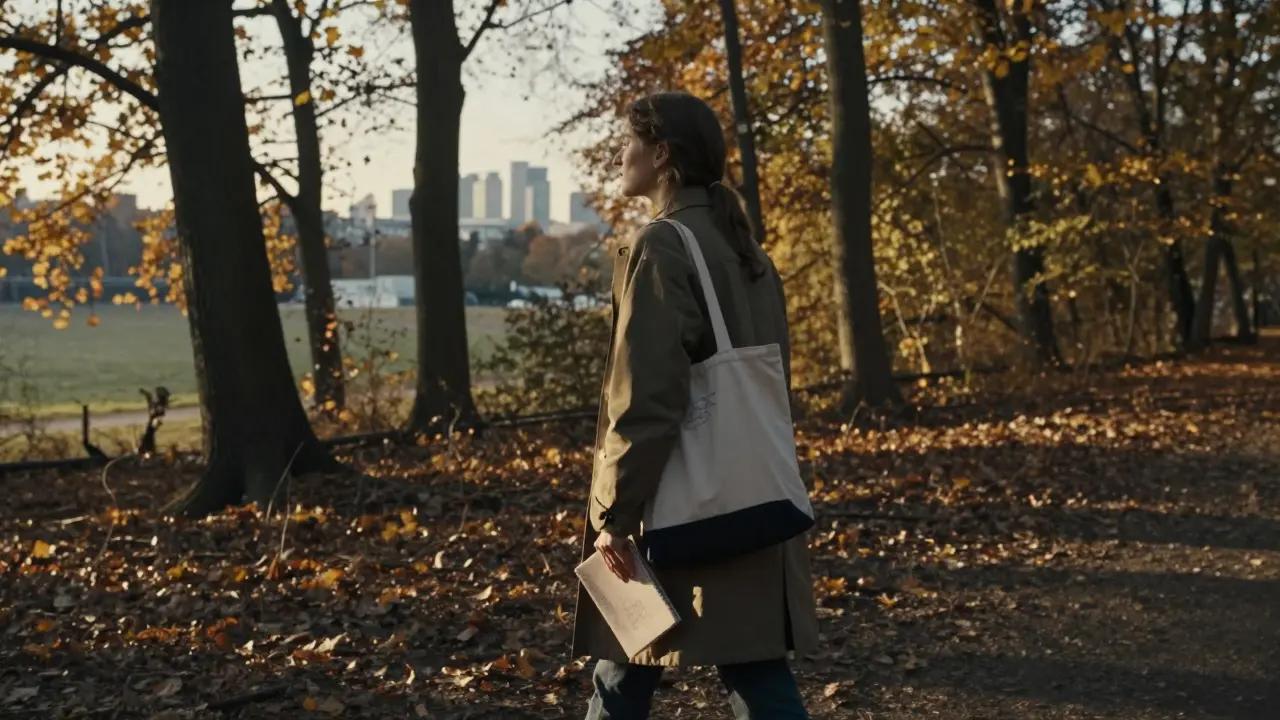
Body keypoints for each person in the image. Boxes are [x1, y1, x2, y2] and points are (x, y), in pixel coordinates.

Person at [572, 91, 818, 719]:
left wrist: (614, 512)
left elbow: (645, 399)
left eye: (629, 142)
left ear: (661, 154)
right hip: (747, 489)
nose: (621, 155)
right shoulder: (746, 249)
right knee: (751, 663)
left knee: (627, 658)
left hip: (678, 497)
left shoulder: (663, 245)